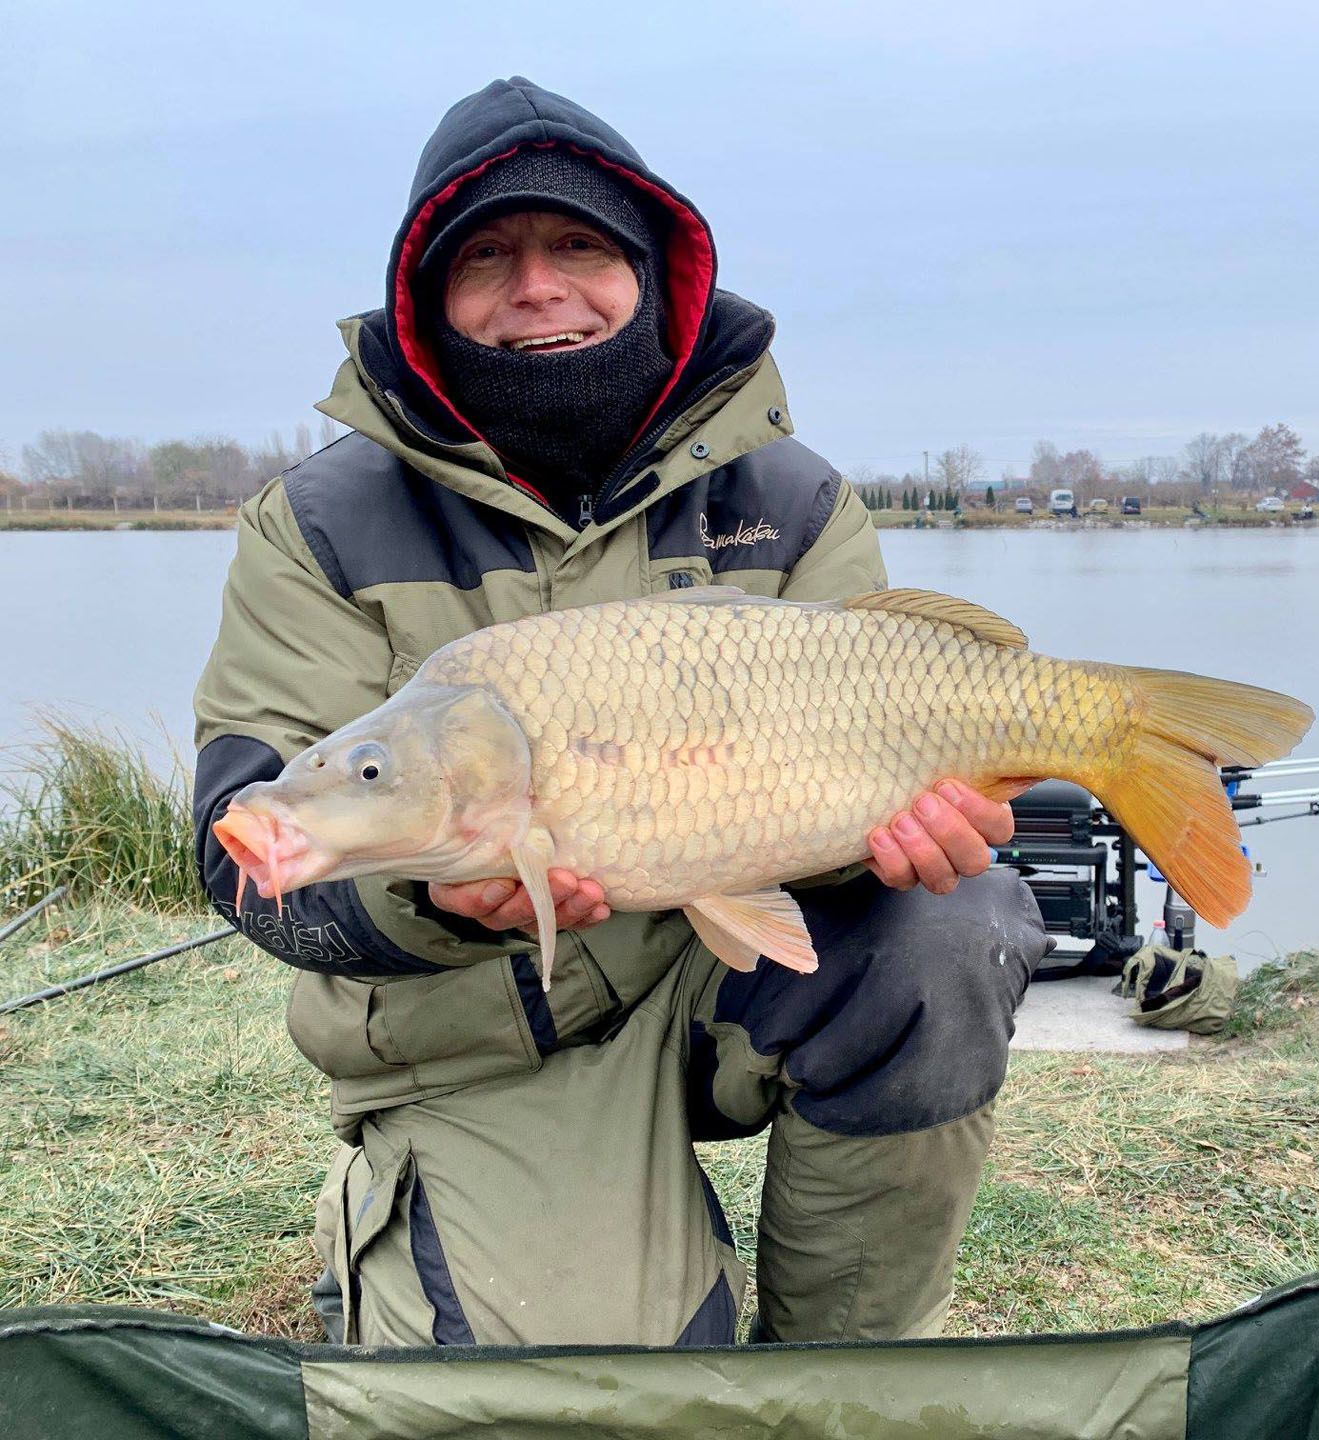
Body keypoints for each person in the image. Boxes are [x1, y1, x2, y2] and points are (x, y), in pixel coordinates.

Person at [191, 77, 1048, 1350]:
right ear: (428, 303)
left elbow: (884, 760)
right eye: (487, 257)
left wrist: (916, 829)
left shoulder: (795, 502)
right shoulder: (318, 525)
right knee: (581, 1400)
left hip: (737, 978)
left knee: (945, 927)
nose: (537, 287)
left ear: (652, 274)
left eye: (579, 245)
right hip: (483, 1035)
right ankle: (399, 1220)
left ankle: (840, 1380)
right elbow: (237, 851)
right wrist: (426, 898)